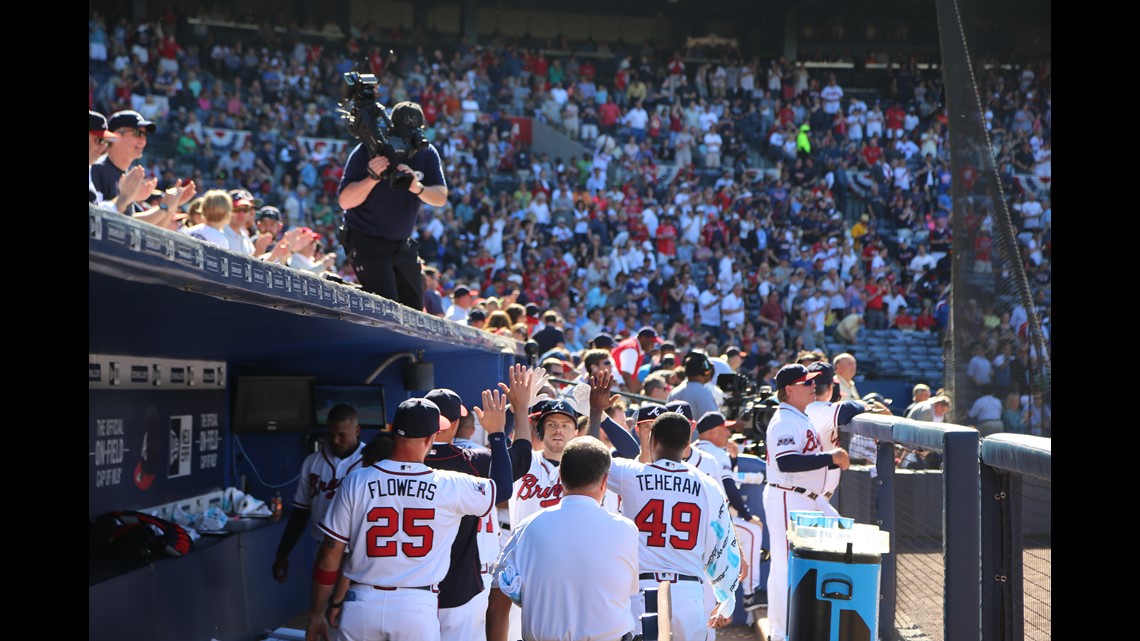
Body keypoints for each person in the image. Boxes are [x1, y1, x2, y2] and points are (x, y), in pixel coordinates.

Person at [306, 395, 509, 641]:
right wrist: (497, 434)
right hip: (416, 606)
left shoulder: (356, 481)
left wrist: (317, 613)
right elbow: (503, 489)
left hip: (361, 603)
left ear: (393, 432)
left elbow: (329, 554)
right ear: (430, 438)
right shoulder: (448, 484)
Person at [605, 410, 741, 640]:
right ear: (687, 443)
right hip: (689, 592)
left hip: (643, 591)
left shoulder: (631, 474)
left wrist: (598, 412)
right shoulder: (708, 485)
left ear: (652, 440)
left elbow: (590, 458)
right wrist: (725, 598)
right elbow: (724, 544)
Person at [493, 436, 639, 641]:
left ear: (560, 476)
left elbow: (497, 606)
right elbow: (629, 591)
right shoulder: (626, 530)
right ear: (605, 481)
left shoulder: (528, 527)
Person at [762, 363, 851, 641]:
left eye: (813, 381)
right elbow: (786, 462)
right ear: (789, 390)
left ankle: (808, 623)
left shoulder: (799, 415)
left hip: (806, 498)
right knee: (785, 564)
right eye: (805, 383)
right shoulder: (786, 419)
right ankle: (780, 632)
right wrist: (831, 458)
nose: (813, 385)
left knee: (841, 540)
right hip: (789, 494)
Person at [423, 388, 514, 641]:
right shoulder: (472, 462)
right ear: (453, 424)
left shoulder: (394, 464)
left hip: (407, 590)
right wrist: (499, 431)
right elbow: (504, 487)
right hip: (455, 586)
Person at [339, 101, 448, 310]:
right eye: (402, 134)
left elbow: (441, 197)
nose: (407, 141)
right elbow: (345, 200)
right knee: (386, 306)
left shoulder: (426, 152)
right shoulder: (369, 148)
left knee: (414, 309)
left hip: (400, 243)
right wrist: (372, 177)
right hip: (365, 238)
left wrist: (417, 187)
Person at [273, 404, 366, 584]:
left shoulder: (370, 461)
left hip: (360, 550)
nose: (336, 440)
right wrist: (282, 553)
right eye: (331, 434)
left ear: (357, 430)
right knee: (320, 607)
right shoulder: (312, 462)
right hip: (324, 547)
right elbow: (300, 512)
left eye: (342, 435)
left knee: (350, 607)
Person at [666, 351, 719, 424]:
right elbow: (714, 423)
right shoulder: (704, 393)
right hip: (695, 435)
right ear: (704, 370)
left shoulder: (674, 392)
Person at [610, 326, 660, 394]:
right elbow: (626, 375)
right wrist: (634, 398)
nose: (653, 345)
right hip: (614, 386)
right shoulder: (632, 349)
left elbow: (633, 377)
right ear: (643, 338)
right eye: (651, 341)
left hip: (617, 384)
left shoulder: (636, 347)